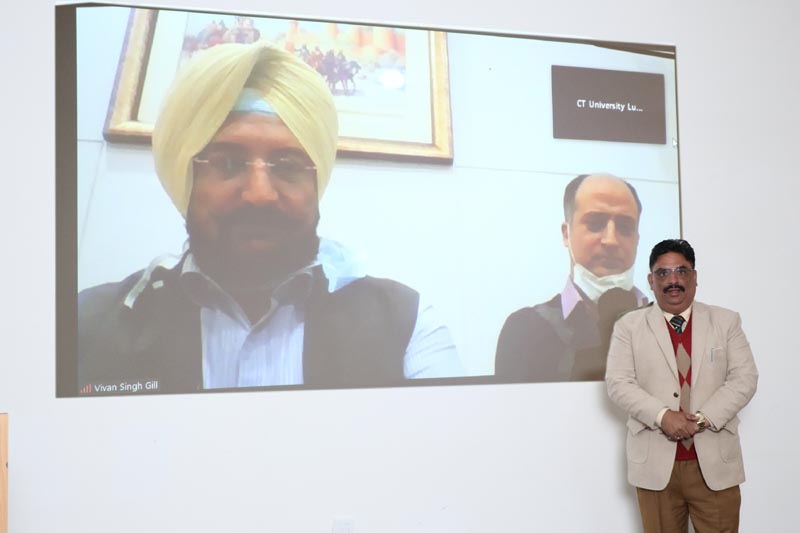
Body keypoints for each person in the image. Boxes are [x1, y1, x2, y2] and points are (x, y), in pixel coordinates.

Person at [78, 42, 462, 395]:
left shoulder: (406, 324)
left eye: (289, 165)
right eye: (227, 163)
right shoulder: (85, 328)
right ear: (186, 179)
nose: (260, 193)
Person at [606, 239, 757, 532]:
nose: (672, 280)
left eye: (681, 271)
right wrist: (664, 416)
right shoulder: (629, 326)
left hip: (714, 464)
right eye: (663, 273)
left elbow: (745, 378)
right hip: (655, 466)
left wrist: (701, 419)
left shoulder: (726, 322)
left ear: (694, 277)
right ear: (650, 280)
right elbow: (618, 383)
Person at [495, 173, 648, 381]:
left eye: (625, 228)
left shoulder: (668, 330)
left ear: (637, 240)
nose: (611, 240)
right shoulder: (525, 332)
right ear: (566, 234)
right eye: (595, 223)